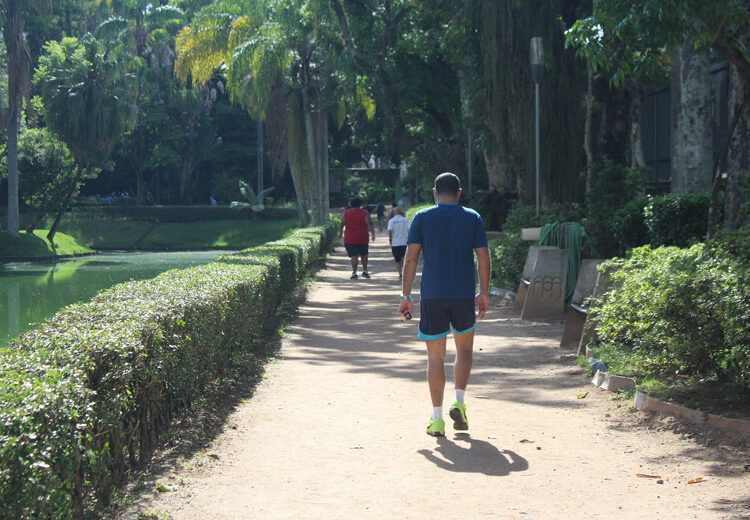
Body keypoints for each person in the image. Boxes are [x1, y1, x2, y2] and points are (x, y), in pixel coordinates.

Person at [398, 172, 490, 437]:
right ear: (459, 193)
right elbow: (483, 257)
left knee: (435, 357)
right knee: (464, 350)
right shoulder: (472, 217)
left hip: (433, 294)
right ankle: (459, 402)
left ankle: (437, 420)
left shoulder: (423, 217)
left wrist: (406, 296)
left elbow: (411, 258)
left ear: (435, 193)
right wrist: (483, 293)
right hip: (463, 293)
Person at [340, 197, 376, 279]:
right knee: (364, 254)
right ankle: (365, 271)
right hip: (363, 237)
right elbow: (369, 224)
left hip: (350, 238)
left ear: (351, 204)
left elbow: (342, 224)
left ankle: (354, 273)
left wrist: (341, 233)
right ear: (360, 204)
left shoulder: (347, 213)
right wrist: (373, 234)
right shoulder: (364, 212)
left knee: (353, 256)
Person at [387, 206, 409, 279]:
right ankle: (405, 271)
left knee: (397, 259)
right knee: (404, 258)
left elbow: (390, 231)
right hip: (404, 242)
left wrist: (390, 240)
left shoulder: (392, 221)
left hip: (395, 243)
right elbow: (409, 229)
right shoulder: (405, 220)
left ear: (394, 212)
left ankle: (400, 273)